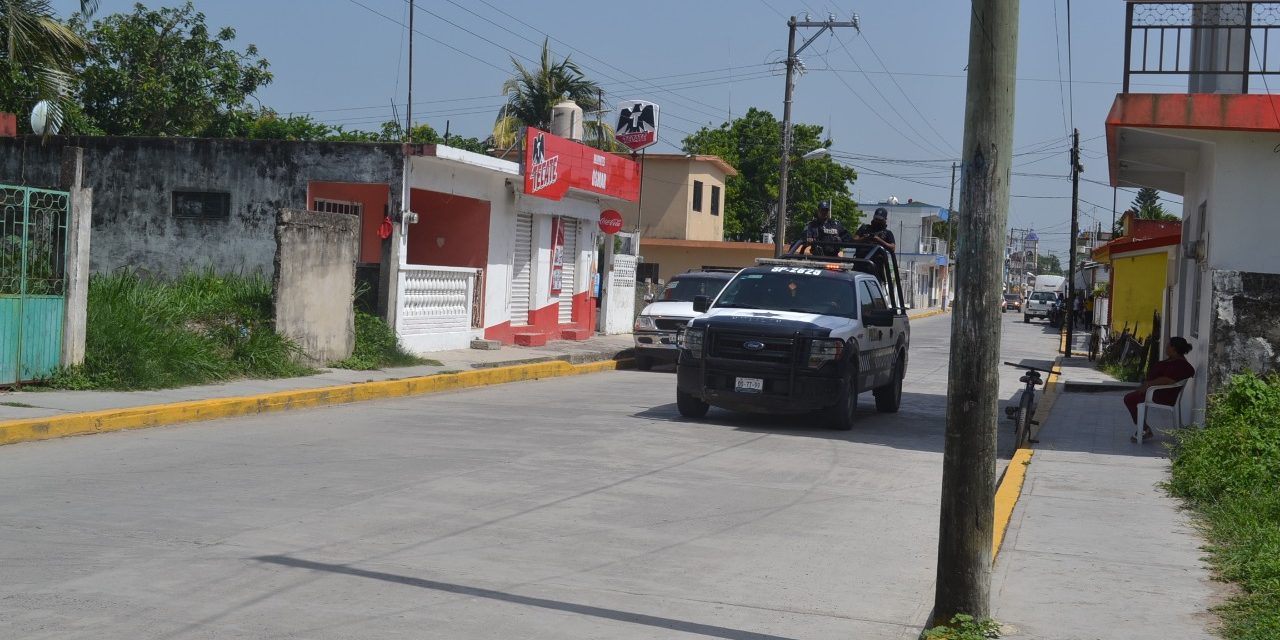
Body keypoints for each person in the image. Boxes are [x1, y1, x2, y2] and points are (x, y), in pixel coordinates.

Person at [1123, 337, 1195, 442]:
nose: (1166, 347)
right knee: (1132, 398)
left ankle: (1144, 429)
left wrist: (1148, 385)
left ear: (1174, 349)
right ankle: (1144, 429)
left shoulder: (1181, 365)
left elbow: (1167, 380)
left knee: (1129, 399)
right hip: (1155, 391)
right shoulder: (1174, 359)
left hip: (1161, 395)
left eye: (1168, 345)